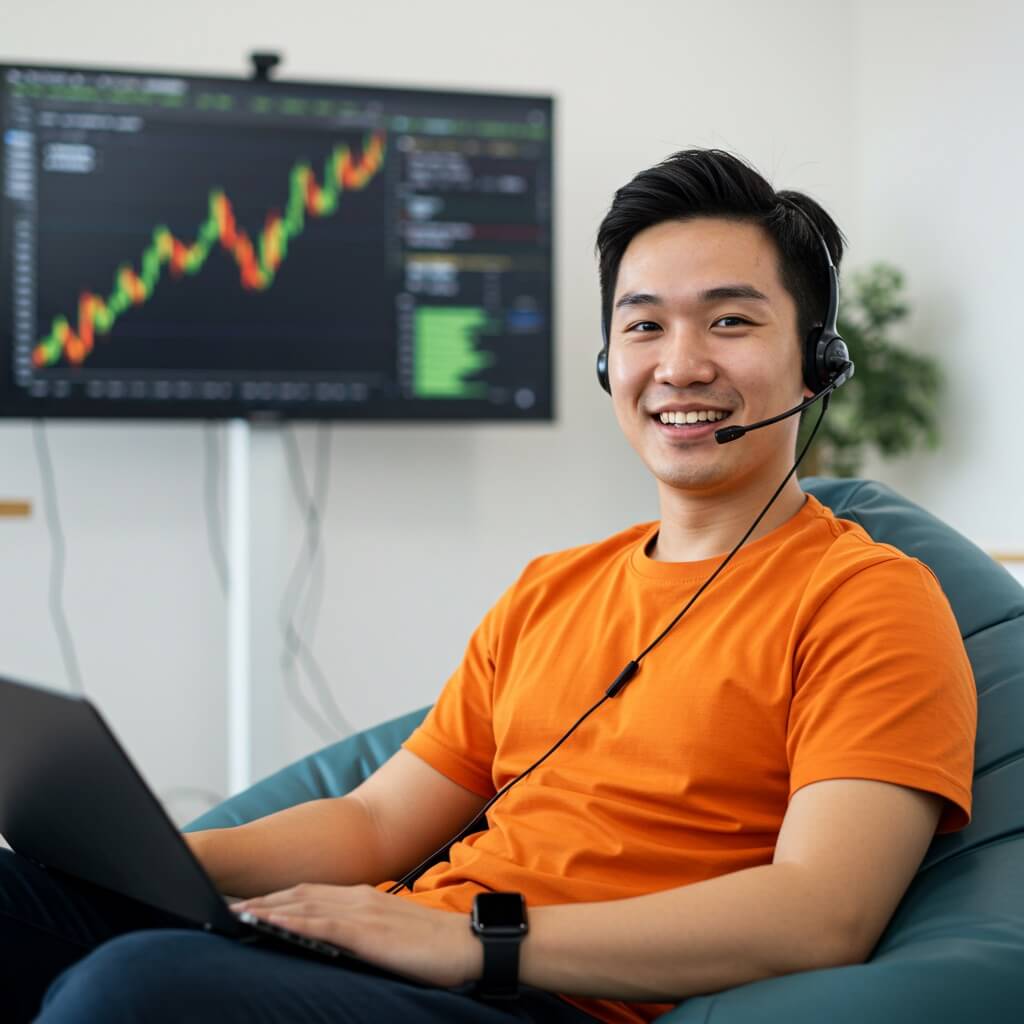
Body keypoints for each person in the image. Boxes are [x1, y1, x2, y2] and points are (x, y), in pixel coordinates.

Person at [1, 149, 976, 1024]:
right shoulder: (551, 588)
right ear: (609, 360)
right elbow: (377, 822)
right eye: (643, 325)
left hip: (545, 1000)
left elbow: (822, 913)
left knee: (131, 992)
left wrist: (476, 942)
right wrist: (162, 862)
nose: (680, 363)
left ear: (815, 362)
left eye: (730, 321)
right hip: (394, 955)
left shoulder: (870, 598)